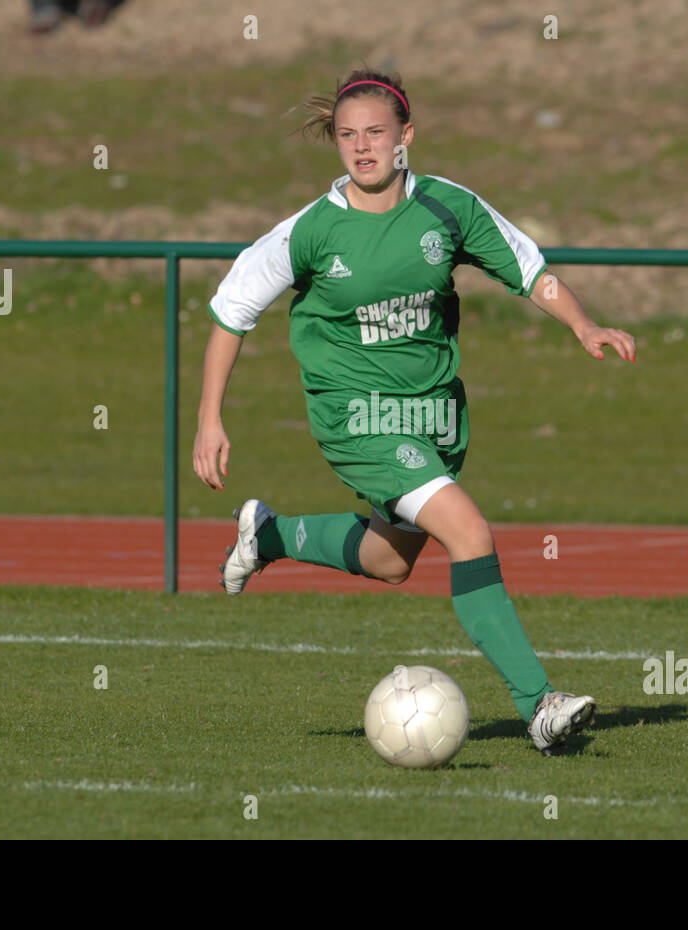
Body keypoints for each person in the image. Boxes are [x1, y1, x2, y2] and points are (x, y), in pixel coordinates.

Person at [192, 69, 636, 755]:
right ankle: (539, 706)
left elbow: (529, 269)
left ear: (406, 137)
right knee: (469, 531)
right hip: (354, 416)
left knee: (389, 561)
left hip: (434, 416)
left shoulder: (448, 209)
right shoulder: (310, 231)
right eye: (347, 135)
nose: (361, 147)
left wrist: (583, 324)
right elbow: (230, 311)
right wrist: (209, 420)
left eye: (375, 133)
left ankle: (271, 536)